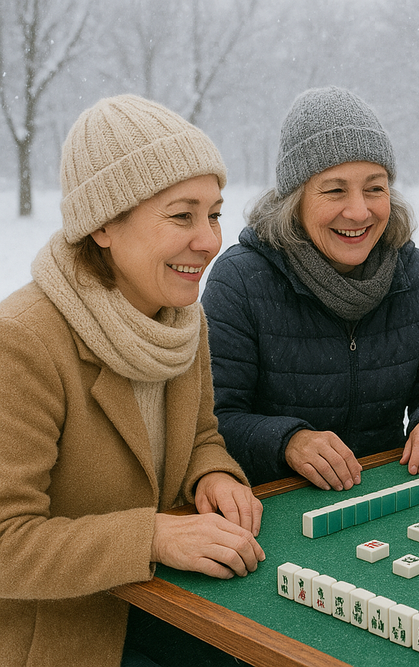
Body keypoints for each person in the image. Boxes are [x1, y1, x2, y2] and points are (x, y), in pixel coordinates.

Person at [0, 95, 264, 667]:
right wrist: (153, 536)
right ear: (103, 225)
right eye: (181, 215)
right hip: (71, 642)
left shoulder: (180, 319)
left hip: (174, 614)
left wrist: (212, 475)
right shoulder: (22, 341)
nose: (209, 240)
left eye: (214, 213)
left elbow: (198, 438)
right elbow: (6, 542)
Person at [202, 86, 419, 490]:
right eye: (334, 190)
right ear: (294, 200)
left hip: (388, 492)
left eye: (374, 187)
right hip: (277, 504)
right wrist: (288, 441)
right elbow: (213, 422)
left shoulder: (417, 276)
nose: (359, 211)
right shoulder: (241, 280)